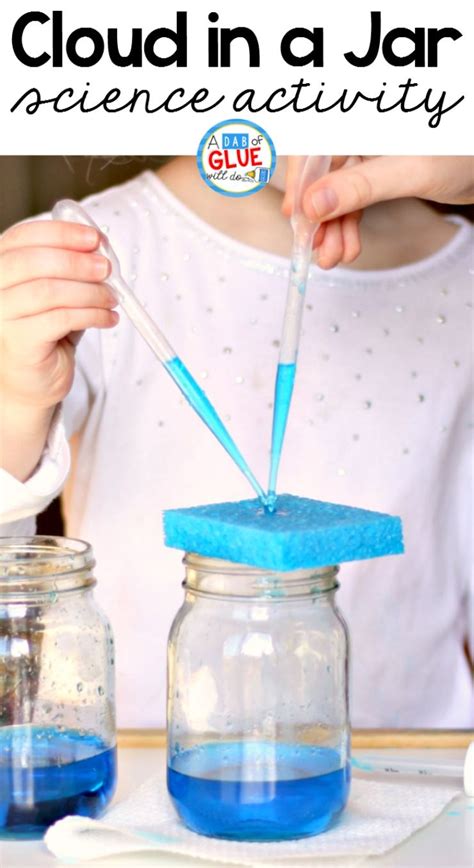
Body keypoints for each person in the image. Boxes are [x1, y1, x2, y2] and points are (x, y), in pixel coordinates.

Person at [0, 156, 472, 728]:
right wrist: (16, 394)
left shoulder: (460, 277)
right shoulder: (98, 255)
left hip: (416, 767)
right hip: (134, 774)